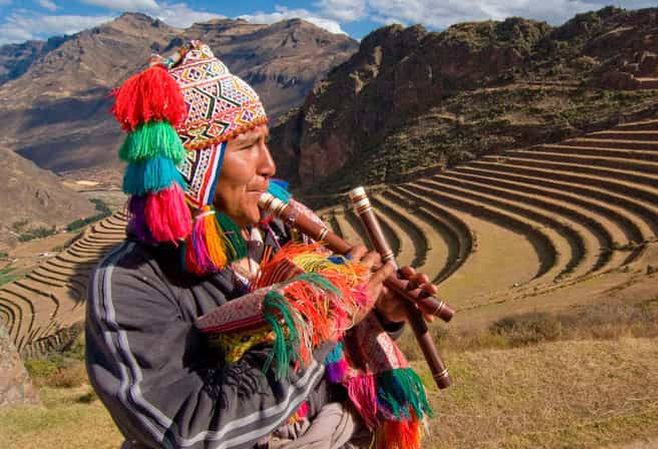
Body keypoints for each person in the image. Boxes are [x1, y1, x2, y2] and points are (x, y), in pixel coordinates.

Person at [85, 40, 437, 449]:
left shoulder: (283, 236)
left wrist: (382, 314)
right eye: (247, 146)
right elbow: (185, 429)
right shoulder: (129, 283)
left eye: (266, 143)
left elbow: (332, 361)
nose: (269, 166)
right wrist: (325, 316)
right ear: (197, 169)